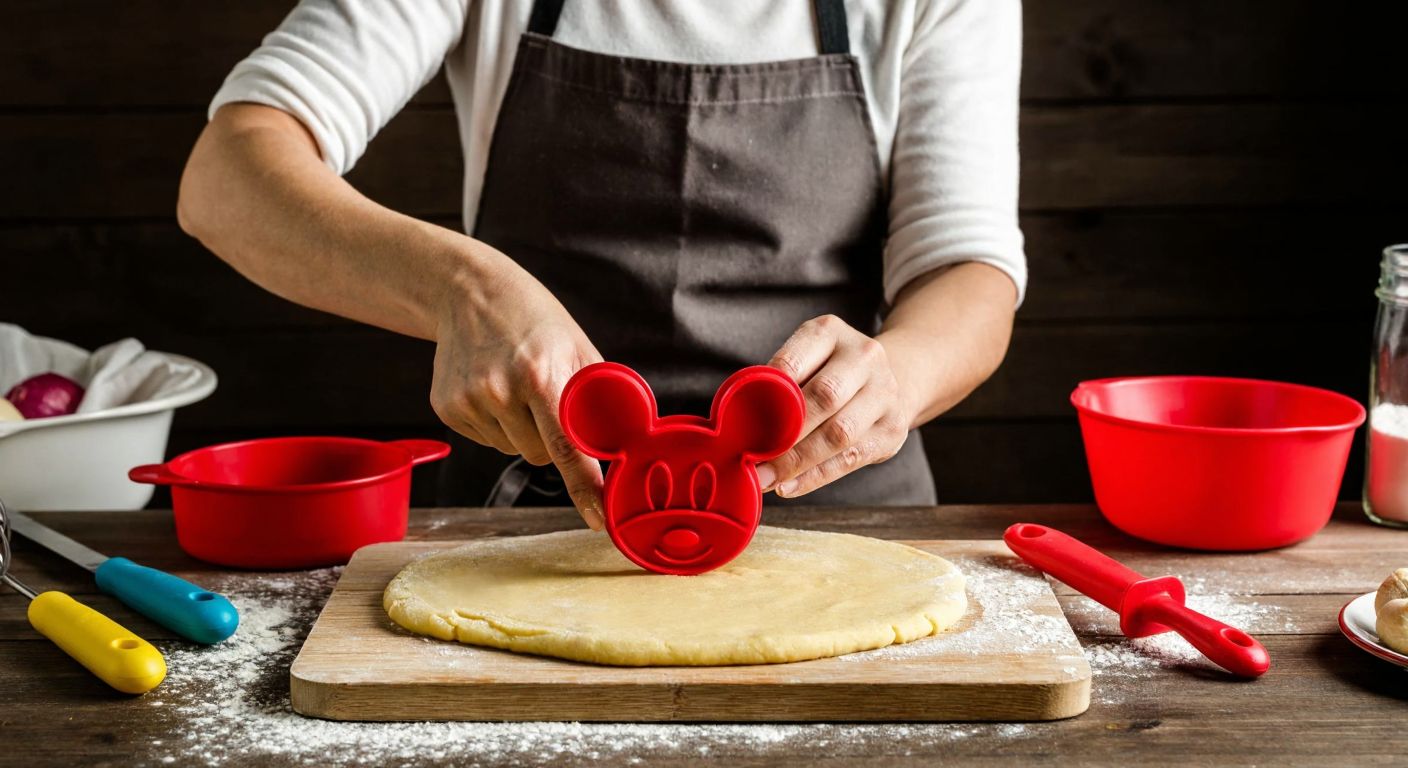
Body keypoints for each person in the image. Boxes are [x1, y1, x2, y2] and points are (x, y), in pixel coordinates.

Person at [178, 0, 1025, 529]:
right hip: (533, 523)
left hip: (836, 517)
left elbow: (967, 272)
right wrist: (464, 288)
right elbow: (227, 180)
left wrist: (895, 378)